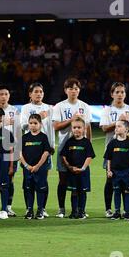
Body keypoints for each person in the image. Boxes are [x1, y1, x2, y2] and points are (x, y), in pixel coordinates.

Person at [52, 78, 92, 218]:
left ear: (79, 90)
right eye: (70, 88)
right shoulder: (59, 106)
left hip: (81, 147)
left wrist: (88, 144)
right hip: (65, 147)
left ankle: (80, 209)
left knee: (80, 180)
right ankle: (61, 208)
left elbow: (88, 127)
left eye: (76, 88)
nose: (73, 91)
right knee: (63, 179)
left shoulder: (85, 106)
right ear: (65, 90)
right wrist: (72, 119)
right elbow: (56, 126)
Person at [99, 82, 129, 218]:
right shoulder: (107, 110)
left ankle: (126, 210)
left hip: (127, 152)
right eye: (117, 92)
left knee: (126, 182)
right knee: (110, 180)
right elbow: (104, 128)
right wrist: (118, 122)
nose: (120, 94)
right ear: (112, 94)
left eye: (122, 92)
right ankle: (109, 209)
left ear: (125, 94)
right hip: (112, 152)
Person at [20, 82, 55, 217]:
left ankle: (42, 208)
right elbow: (23, 126)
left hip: (44, 148)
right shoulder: (26, 108)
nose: (39, 94)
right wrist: (39, 117)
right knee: (28, 181)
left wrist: (51, 145)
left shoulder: (49, 108)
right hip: (30, 149)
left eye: (41, 91)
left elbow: (51, 129)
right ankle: (29, 208)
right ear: (30, 94)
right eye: (36, 91)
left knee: (43, 180)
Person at [0, 84, 20, 217]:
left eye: (6, 94)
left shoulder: (14, 111)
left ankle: (8, 206)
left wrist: (18, 150)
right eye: (1, 94)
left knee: (10, 177)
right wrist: (4, 123)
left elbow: (19, 131)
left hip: (10, 149)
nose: (3, 97)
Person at [104, 120, 129, 221]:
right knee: (116, 191)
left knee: (127, 191)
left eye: (119, 126)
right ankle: (117, 212)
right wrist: (109, 170)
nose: (116, 128)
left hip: (127, 172)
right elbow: (108, 158)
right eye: (116, 126)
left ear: (126, 129)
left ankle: (127, 212)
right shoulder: (112, 143)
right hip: (115, 173)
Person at [60, 118, 95, 219]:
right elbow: (63, 156)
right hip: (72, 172)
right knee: (74, 191)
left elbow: (89, 156)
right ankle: (74, 211)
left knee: (82, 191)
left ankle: (82, 211)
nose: (76, 129)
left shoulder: (86, 142)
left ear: (84, 129)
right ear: (71, 129)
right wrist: (69, 167)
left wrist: (83, 168)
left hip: (83, 172)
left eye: (79, 127)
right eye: (74, 127)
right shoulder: (69, 142)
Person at [20, 114, 52, 220]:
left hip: (40, 169)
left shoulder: (43, 137)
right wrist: (26, 165)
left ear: (40, 124)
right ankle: (29, 210)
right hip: (27, 169)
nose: (33, 125)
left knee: (40, 189)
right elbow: (19, 153)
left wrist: (38, 165)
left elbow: (46, 152)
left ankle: (40, 210)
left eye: (35, 123)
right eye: (31, 123)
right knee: (28, 189)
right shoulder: (24, 137)